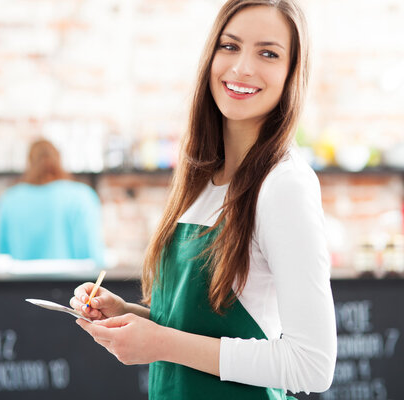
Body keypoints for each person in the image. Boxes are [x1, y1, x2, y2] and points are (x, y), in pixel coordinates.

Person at [70, 0, 336, 398]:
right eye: (230, 46)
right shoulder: (199, 177)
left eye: (268, 53)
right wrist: (130, 318)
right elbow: (203, 331)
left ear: (291, 73)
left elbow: (312, 366)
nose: (243, 67)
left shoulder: (284, 184)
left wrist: (160, 343)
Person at [0, 139, 105, 267]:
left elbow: (2, 257)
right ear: (59, 160)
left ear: (29, 163)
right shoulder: (82, 196)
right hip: (72, 284)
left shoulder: (9, 199)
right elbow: (93, 255)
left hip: (20, 285)